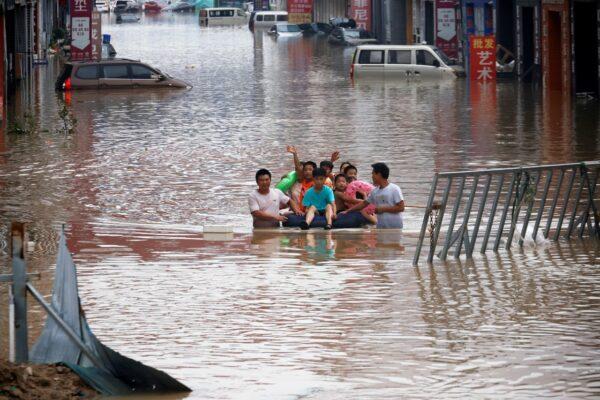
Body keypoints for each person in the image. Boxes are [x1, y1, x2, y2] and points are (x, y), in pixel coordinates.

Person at [342, 163, 404, 229]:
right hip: (381, 227)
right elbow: (363, 204)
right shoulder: (375, 191)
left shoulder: (394, 189)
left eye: (373, 174)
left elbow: (401, 208)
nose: (372, 176)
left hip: (395, 228)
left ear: (379, 174)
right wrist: (348, 211)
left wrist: (382, 209)